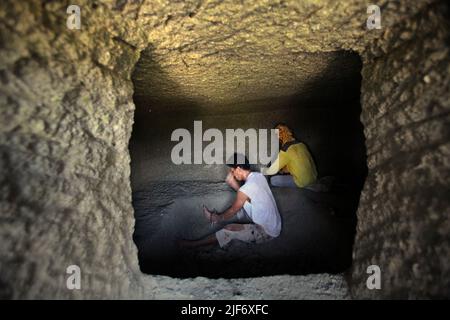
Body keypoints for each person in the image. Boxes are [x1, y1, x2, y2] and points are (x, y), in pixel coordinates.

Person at [179, 153, 281, 248]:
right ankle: (215, 219)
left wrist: (219, 218)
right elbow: (248, 196)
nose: (233, 174)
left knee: (228, 229)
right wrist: (234, 184)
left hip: (267, 232)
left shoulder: (246, 189)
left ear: (238, 168)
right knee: (241, 209)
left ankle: (192, 244)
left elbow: (233, 210)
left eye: (233, 171)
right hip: (275, 224)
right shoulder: (259, 176)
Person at [261, 124, 318, 188]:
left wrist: (264, 171)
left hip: (303, 182)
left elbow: (272, 170)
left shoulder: (286, 149)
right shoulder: (301, 144)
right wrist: (283, 171)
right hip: (314, 177)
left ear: (279, 136)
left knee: (274, 180)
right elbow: (298, 164)